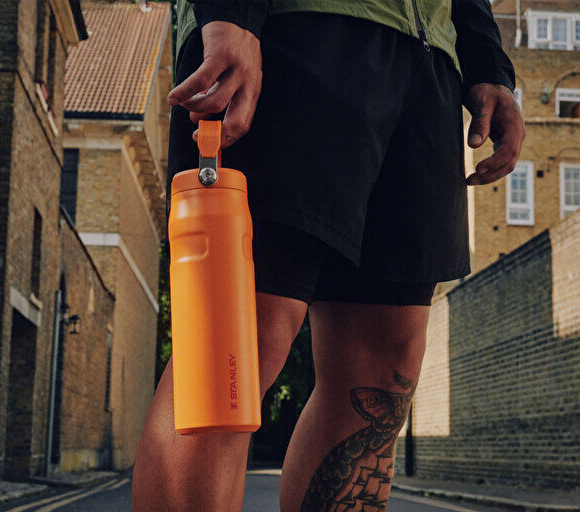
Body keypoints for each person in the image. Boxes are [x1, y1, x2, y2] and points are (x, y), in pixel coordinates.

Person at [133, 1, 525, 510]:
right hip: (292, 29)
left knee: (383, 370)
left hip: (428, 65)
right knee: (232, 349)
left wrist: (487, 64)